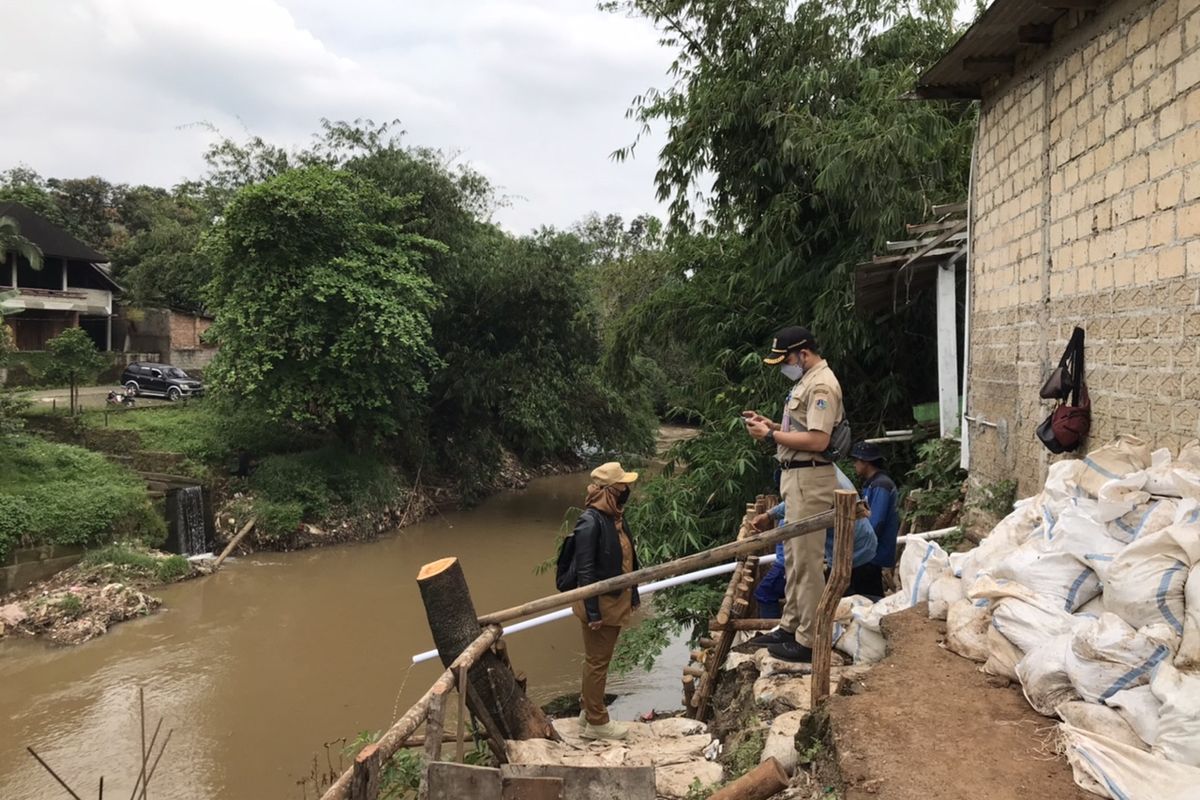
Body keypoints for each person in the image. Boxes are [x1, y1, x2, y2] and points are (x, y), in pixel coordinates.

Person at [742, 326, 844, 662]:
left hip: (811, 479)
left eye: (785, 359)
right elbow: (800, 431)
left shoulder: (821, 385)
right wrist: (771, 426)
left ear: (803, 354)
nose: (784, 366)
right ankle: (791, 626)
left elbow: (818, 441)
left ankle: (810, 639)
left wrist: (770, 438)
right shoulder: (806, 381)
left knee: (808, 560)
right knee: (794, 559)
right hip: (797, 478)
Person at [570, 461, 641, 741]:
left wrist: (633, 593)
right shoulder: (591, 521)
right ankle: (598, 722)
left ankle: (588, 712)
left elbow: (628, 561)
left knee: (598, 660)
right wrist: (592, 612)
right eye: (623, 486)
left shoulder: (614, 517)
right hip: (599, 605)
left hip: (615, 600)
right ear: (610, 490)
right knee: (597, 662)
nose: (628, 490)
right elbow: (585, 570)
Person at [750, 466, 878, 615]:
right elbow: (797, 501)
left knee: (859, 608)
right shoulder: (819, 469)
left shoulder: (816, 482)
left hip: (855, 552)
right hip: (852, 548)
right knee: (855, 606)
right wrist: (769, 515)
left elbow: (803, 503)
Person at [849, 441, 901, 598]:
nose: (854, 465)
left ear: (866, 462)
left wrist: (860, 545)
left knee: (868, 597)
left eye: (856, 461)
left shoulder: (881, 486)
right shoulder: (872, 484)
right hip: (870, 552)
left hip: (871, 554)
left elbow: (876, 521)